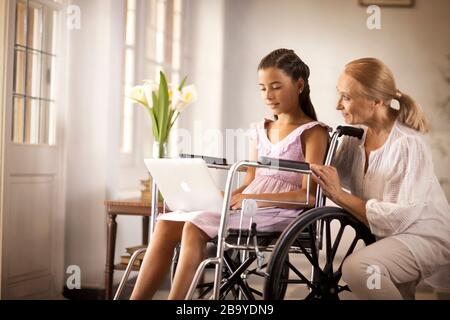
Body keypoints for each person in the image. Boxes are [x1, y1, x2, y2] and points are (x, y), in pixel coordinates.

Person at [130, 48, 330, 300]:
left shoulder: (313, 131)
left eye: (276, 86)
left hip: (281, 210)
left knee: (193, 227)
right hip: (248, 205)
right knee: (168, 221)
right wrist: (225, 196)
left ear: (299, 85)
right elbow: (250, 182)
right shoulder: (261, 129)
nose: (268, 95)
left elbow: (308, 196)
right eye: (262, 88)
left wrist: (254, 200)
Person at [311, 57, 450, 300]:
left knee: (358, 268)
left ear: (376, 101)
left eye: (347, 97)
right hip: (391, 238)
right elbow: (328, 171)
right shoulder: (355, 139)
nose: (337, 105)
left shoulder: (408, 143)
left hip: (424, 236)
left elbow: (401, 218)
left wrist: (340, 195)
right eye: (339, 94)